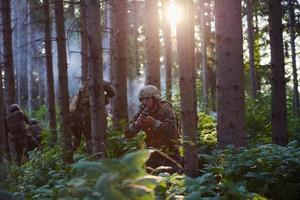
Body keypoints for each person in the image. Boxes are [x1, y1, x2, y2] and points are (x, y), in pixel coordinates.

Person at [125, 85, 182, 173]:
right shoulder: (142, 111)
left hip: (169, 153)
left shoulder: (166, 109)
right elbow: (127, 134)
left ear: (155, 99)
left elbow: (171, 131)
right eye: (142, 99)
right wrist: (136, 124)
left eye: (147, 99)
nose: (144, 102)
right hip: (151, 155)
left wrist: (154, 122)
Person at [69, 80, 115, 154]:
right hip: (93, 116)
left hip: (83, 117)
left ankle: (90, 156)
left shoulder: (82, 87)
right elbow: (112, 93)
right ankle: (97, 156)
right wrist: (105, 100)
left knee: (88, 139)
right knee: (97, 138)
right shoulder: (100, 81)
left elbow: (77, 106)